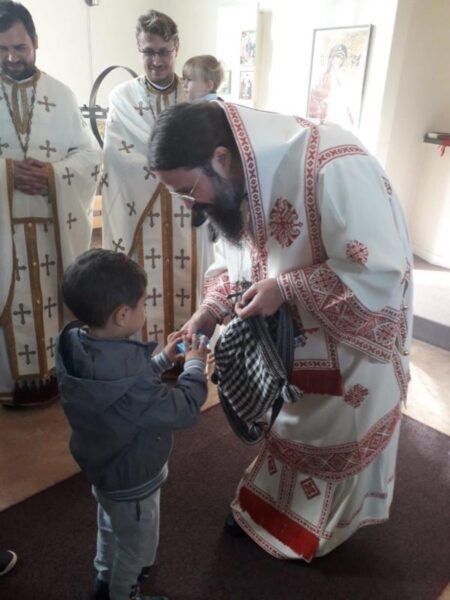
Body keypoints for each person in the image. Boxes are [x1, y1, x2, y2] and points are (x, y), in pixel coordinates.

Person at [148, 101, 413, 561]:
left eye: (188, 190)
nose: (189, 206)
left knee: (333, 429)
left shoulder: (335, 165)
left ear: (221, 158)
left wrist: (286, 289)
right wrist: (211, 309)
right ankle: (276, 499)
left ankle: (328, 523)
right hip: (278, 351)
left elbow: (379, 271)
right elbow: (232, 257)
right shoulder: (235, 178)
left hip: (344, 347)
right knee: (285, 425)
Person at [56, 249, 208, 600]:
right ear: (122, 315)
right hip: (134, 478)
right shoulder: (128, 374)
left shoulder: (79, 345)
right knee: (136, 548)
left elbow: (124, 392)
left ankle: (104, 577)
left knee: (110, 527)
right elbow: (183, 408)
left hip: (104, 470)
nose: (145, 308)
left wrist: (163, 359)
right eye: (143, 303)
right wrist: (195, 366)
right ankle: (124, 593)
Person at [0, 1, 101, 407]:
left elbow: (89, 156)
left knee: (51, 301)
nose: (11, 57)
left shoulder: (61, 95)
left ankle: (55, 376)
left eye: (19, 47)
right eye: (2, 48)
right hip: (3, 232)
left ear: (36, 42)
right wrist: (6, 173)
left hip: (51, 230)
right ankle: (9, 383)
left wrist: (54, 174)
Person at [102, 10, 214, 355]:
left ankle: (188, 356)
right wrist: (172, 171)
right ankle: (147, 357)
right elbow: (115, 156)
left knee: (191, 279)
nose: (156, 61)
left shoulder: (194, 94)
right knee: (142, 285)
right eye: (148, 52)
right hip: (141, 213)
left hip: (188, 211)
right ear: (139, 50)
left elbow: (211, 148)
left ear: (176, 46)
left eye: (164, 51)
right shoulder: (122, 97)